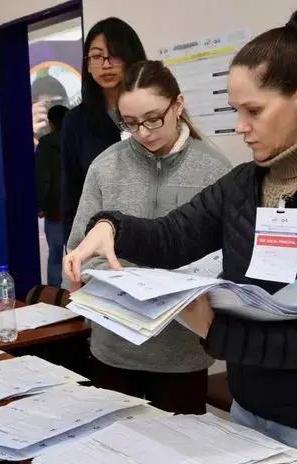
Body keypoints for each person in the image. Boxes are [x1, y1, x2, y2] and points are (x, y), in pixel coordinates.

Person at [65, 7, 297, 463]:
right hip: (251, 410)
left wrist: (212, 329)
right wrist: (110, 227)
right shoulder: (246, 183)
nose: (240, 126)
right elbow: (173, 236)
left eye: (253, 110)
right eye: (236, 110)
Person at [67, 60, 231, 414]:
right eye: (130, 123)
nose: (142, 132)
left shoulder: (216, 170)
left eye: (153, 118)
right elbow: (78, 249)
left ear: (179, 105)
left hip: (181, 353)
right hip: (114, 348)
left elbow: (229, 259)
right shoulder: (105, 166)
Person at [61, 17, 146, 242]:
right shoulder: (76, 121)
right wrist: (72, 249)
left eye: (115, 55)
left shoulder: (152, 112)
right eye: (97, 56)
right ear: (87, 64)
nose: (106, 65)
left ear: (132, 58)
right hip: (97, 241)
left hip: (151, 235)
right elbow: (72, 195)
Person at [36, 104, 69, 287]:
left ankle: (54, 294)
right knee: (79, 255)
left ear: (51, 123)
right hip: (75, 209)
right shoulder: (77, 142)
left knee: (55, 257)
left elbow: (43, 178)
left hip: (55, 210)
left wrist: (40, 205)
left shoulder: (46, 145)